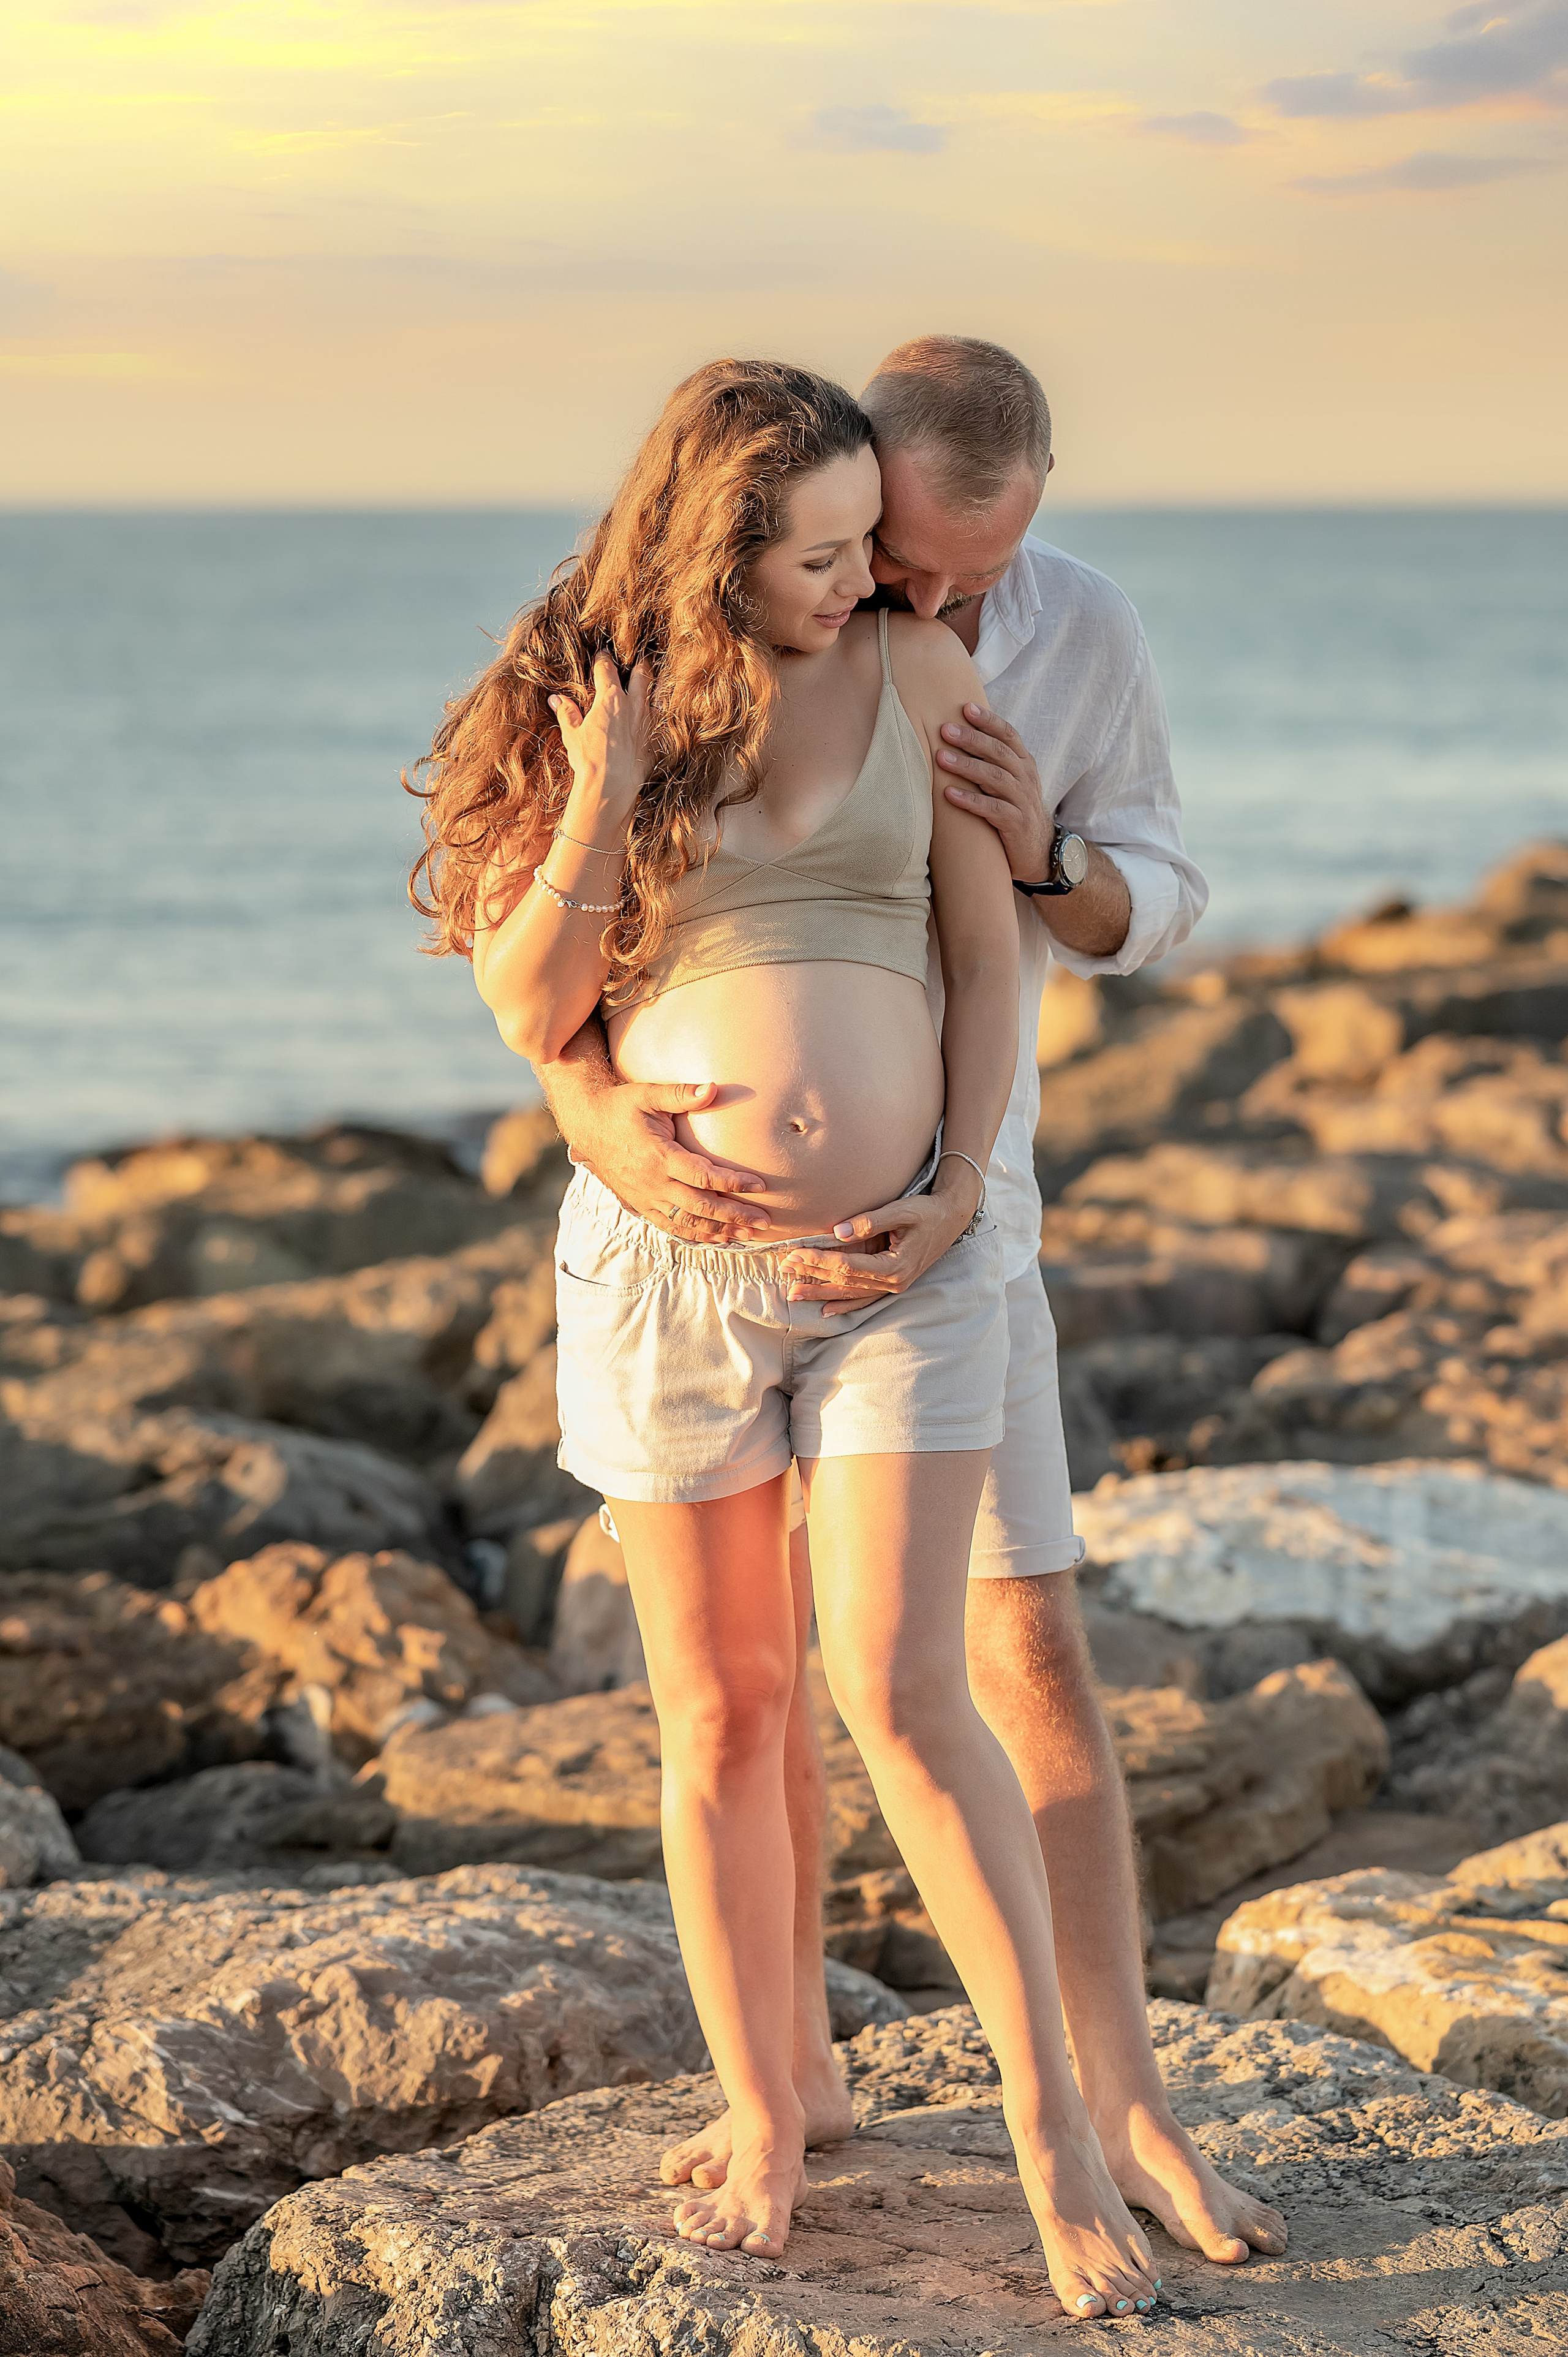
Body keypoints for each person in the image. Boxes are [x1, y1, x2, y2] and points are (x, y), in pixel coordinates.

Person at [410, 357, 1163, 2321]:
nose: (869, 584)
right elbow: (532, 1012)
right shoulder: (587, 699)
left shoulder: (919, 667)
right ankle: (770, 2107)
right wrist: (601, 788)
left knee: (909, 1691)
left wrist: (963, 1178)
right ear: (720, 545)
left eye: (867, 550)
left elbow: (984, 954)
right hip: (670, 1283)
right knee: (727, 1714)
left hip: (908, 1266)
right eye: (826, 556)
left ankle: (1058, 2139)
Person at [535, 336, 1289, 2273]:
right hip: (703, 1255)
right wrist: (598, 1117)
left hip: (960, 1223)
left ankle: (1115, 2103)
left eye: (970, 571)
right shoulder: (736, 618)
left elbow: (1146, 899)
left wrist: (1047, 852)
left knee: (999, 1651)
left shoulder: (1062, 634)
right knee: (744, 1688)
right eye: (894, 560)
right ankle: (785, 2079)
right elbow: (550, 965)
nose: (925, 596)